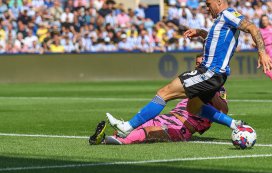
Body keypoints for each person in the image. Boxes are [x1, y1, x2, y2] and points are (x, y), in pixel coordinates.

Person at [106, 0, 272, 138]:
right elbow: (217, 41)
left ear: (219, 1)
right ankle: (235, 125)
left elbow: (252, 27)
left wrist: (262, 52)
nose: (207, 8)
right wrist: (201, 32)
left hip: (210, 72)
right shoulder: (221, 21)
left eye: (208, 4)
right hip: (216, 75)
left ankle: (126, 127)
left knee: (164, 93)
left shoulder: (228, 14)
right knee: (193, 107)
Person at [89, 55, 237, 145]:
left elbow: (223, 109)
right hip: (168, 117)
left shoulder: (217, 88)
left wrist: (209, 91)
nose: (198, 66)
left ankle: (114, 141)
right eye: (197, 64)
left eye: (201, 64)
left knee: (150, 132)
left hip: (182, 128)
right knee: (138, 127)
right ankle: (103, 139)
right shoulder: (192, 83)